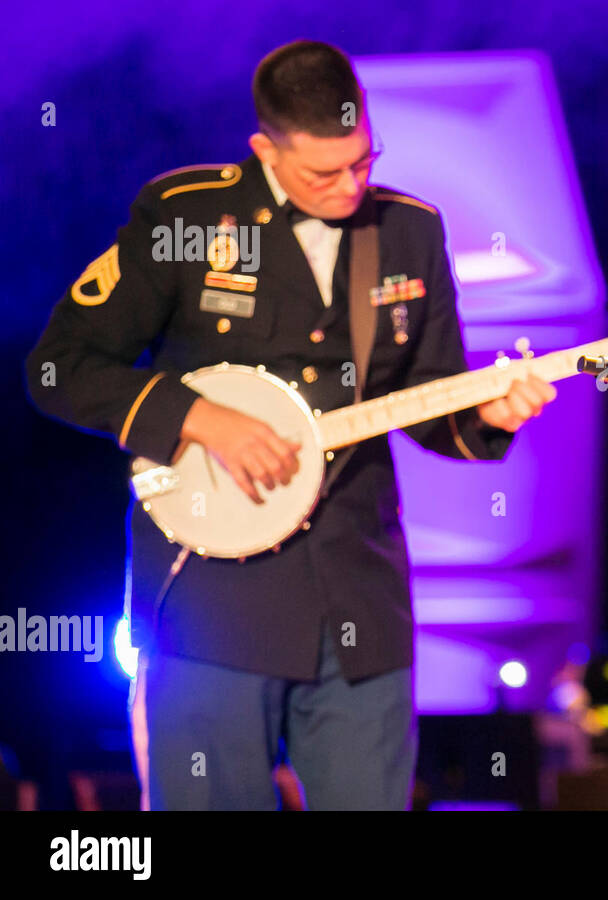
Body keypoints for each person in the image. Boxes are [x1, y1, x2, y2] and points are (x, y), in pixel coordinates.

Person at [24, 40, 556, 809]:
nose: (351, 185)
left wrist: (489, 414)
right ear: (264, 148)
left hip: (359, 600)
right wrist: (198, 417)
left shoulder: (408, 231)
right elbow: (60, 368)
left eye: (364, 161)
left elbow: (433, 394)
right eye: (323, 173)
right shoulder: (185, 216)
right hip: (210, 602)